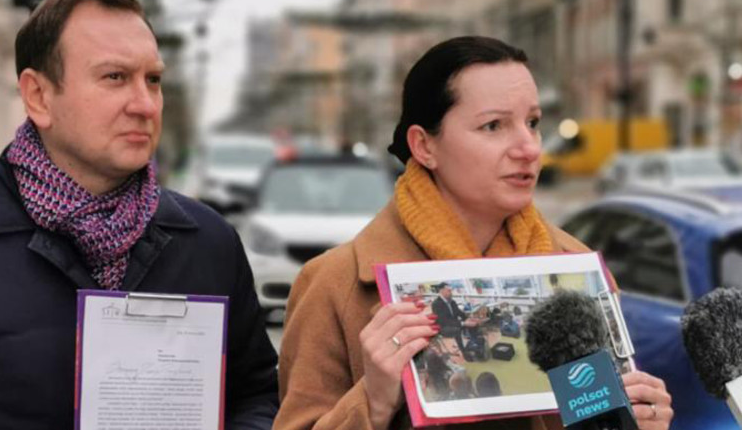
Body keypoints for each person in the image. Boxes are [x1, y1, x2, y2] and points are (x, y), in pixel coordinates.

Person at [274, 36, 673, 430]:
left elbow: (598, 418)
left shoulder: (578, 273)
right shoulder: (334, 284)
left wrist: (635, 422)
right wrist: (372, 402)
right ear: (424, 146)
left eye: (533, 123)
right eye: (493, 125)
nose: (529, 148)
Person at [0, 0, 278, 429]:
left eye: (153, 80)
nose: (145, 104)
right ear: (38, 96)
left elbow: (256, 394)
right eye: (115, 77)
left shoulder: (209, 243)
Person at [431, 282, 468, 354]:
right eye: (449, 291)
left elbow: (459, 312)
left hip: (453, 323)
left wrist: (468, 319)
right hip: (443, 327)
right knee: (457, 329)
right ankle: (463, 351)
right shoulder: (436, 304)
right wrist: (462, 323)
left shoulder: (452, 301)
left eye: (451, 291)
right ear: (441, 291)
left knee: (472, 325)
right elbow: (444, 321)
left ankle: (474, 344)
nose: (451, 293)